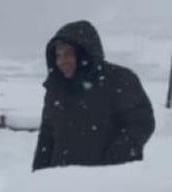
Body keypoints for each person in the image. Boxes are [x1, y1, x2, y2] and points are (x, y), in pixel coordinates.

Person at [33, 20, 154, 171]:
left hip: (108, 181)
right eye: (58, 55)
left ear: (84, 53)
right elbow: (46, 137)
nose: (61, 61)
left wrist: (112, 163)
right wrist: (38, 176)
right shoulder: (57, 89)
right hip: (61, 181)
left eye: (68, 54)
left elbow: (141, 123)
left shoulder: (119, 80)